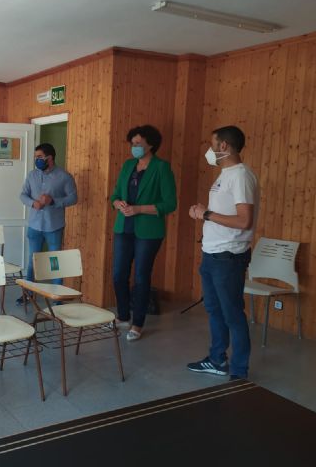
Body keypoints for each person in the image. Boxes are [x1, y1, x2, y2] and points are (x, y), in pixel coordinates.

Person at [187, 125, 259, 381]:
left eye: (212, 144)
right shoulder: (225, 175)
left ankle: (239, 371)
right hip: (212, 254)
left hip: (228, 258)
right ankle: (217, 359)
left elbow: (244, 221)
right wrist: (204, 212)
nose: (210, 149)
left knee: (232, 315)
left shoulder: (240, 176)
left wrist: (206, 214)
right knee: (215, 311)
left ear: (224, 146)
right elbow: (225, 215)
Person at [111, 125, 177, 341]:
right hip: (124, 227)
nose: (135, 147)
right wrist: (118, 203)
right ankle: (122, 316)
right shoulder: (128, 165)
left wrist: (139, 209)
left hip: (148, 231)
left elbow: (169, 204)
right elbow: (114, 195)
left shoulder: (162, 168)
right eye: (133, 143)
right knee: (119, 274)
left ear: (151, 144)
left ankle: (137, 323)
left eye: (138, 143)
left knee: (140, 276)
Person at [17, 143, 77, 305]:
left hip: (54, 227)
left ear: (50, 158)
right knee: (32, 261)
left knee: (55, 261)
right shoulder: (32, 175)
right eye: (36, 157)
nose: (36, 160)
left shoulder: (64, 176)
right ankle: (28, 294)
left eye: (39, 157)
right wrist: (32, 203)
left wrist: (53, 201)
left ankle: (58, 298)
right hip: (34, 225)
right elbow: (23, 195)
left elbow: (73, 198)